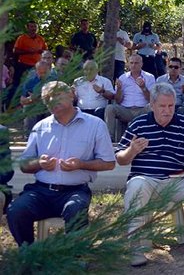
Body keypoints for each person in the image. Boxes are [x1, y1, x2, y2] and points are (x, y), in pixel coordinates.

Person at [6, 81, 115, 246]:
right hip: (40, 191)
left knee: (75, 210)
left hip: (74, 191)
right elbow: (24, 165)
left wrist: (81, 164)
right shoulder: (40, 127)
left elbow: (109, 163)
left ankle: (75, 257)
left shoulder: (95, 125)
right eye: (47, 98)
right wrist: (39, 163)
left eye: (56, 95)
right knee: (16, 210)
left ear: (71, 95)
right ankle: (29, 253)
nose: (52, 100)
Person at [116, 83, 184, 266]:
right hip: (147, 181)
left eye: (170, 106)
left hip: (176, 180)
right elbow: (121, 159)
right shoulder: (139, 124)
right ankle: (135, 244)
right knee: (136, 184)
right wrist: (131, 150)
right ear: (152, 105)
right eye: (162, 106)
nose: (167, 110)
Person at [105, 54, 155, 141]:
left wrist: (143, 87)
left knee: (152, 106)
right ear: (128, 64)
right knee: (110, 108)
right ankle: (109, 139)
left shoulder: (149, 77)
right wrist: (119, 89)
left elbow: (152, 99)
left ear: (141, 64)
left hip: (142, 110)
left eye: (136, 63)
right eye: (131, 63)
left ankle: (153, 137)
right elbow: (118, 100)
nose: (133, 65)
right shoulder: (122, 78)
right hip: (126, 110)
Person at [11, 21, 48, 104]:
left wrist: (40, 51)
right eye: (31, 27)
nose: (33, 29)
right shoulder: (22, 38)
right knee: (18, 84)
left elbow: (45, 50)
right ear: (27, 28)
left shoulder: (40, 39)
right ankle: (14, 103)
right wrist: (28, 51)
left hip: (36, 66)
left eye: (35, 27)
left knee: (33, 84)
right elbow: (15, 50)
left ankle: (31, 101)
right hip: (23, 65)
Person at [20, 61, 56, 132]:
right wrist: (30, 98)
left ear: (49, 70)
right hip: (33, 103)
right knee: (29, 109)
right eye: (40, 72)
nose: (42, 75)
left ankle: (50, 133)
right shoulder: (30, 80)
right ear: (36, 71)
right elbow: (22, 101)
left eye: (44, 73)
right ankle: (30, 134)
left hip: (48, 104)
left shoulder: (54, 80)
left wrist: (39, 98)